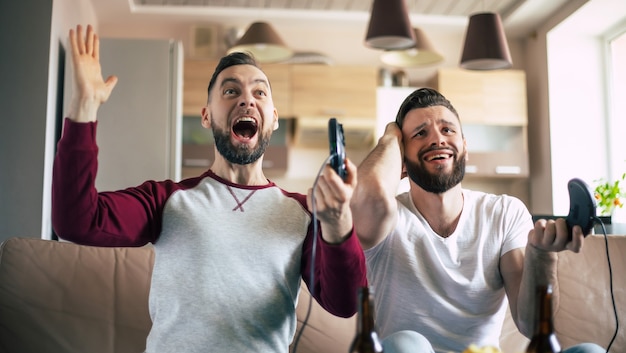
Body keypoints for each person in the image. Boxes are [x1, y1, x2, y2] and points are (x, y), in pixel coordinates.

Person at [51, 24, 367, 353]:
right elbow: (75, 221)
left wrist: (339, 221)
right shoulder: (167, 200)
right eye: (231, 91)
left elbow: (345, 304)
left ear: (273, 117)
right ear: (206, 115)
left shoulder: (303, 212)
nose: (247, 99)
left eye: (259, 92)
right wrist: (84, 107)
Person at [350, 87, 605, 353]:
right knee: (407, 344)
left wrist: (541, 256)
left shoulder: (505, 212)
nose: (438, 139)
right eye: (420, 133)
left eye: (447, 130)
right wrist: (390, 137)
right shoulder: (386, 217)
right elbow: (366, 199)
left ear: (465, 148)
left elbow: (532, 325)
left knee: (591, 352)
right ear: (402, 158)